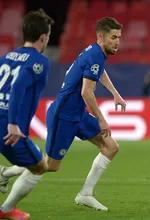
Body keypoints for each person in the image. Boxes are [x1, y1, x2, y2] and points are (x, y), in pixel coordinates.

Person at [0, 17, 126, 211]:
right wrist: (102, 120)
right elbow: (86, 92)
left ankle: (86, 194)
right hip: (63, 116)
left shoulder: (97, 53)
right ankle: (6, 173)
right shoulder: (95, 55)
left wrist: (115, 93)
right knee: (50, 165)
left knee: (111, 147)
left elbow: (98, 72)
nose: (117, 41)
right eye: (113, 37)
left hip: (78, 114)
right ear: (101, 37)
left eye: (118, 37)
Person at [0, 9, 53, 219]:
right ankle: (6, 210)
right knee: (41, 166)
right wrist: (13, 123)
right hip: (11, 132)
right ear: (43, 37)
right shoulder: (39, 62)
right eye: (48, 35)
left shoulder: (6, 57)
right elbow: (18, 88)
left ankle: (4, 173)